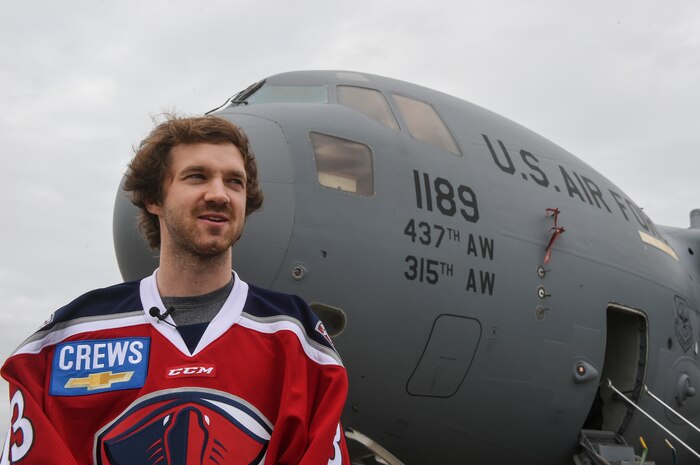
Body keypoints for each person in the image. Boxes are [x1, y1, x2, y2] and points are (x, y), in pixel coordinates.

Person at [0, 115, 350, 465]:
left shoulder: (297, 338)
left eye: (234, 182)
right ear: (154, 198)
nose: (219, 194)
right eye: (197, 176)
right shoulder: (65, 341)